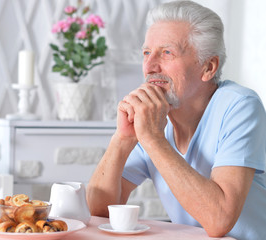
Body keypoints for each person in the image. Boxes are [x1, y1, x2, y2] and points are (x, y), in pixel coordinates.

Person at [86, 1, 266, 239]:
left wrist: (152, 138)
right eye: (147, 53)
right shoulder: (154, 116)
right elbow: (99, 213)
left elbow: (219, 220)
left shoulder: (240, 106)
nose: (149, 66)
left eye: (167, 52)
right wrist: (122, 139)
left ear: (208, 67)